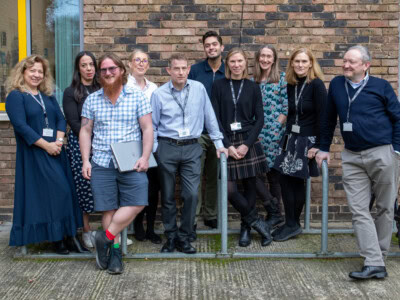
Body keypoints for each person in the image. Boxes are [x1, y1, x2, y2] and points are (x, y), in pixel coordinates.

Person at [316, 45, 400, 280]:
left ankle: (379, 258)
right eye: (345, 61)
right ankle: (373, 261)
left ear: (365, 65)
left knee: (385, 207)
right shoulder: (336, 85)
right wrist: (324, 148)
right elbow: (328, 118)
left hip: (382, 152)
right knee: (358, 209)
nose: (346, 65)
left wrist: (396, 150)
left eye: (352, 62)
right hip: (352, 155)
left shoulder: (380, 86)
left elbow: (398, 117)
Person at [80, 53, 153, 275]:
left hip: (131, 160)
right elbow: (85, 130)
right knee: (109, 208)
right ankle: (114, 254)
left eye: (112, 69)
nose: (108, 73)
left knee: (139, 201)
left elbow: (148, 128)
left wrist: (145, 156)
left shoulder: (136, 96)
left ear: (122, 71)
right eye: (104, 70)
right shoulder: (92, 99)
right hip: (101, 161)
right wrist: (86, 160)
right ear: (100, 75)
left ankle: (104, 237)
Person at [5, 55, 83, 254]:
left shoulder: (47, 95)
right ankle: (56, 239)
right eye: (32, 70)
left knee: (65, 193)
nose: (37, 75)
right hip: (34, 153)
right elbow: (22, 127)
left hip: (56, 151)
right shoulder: (16, 96)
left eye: (40, 71)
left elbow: (59, 118)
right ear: (23, 72)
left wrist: (57, 142)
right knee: (57, 193)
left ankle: (68, 236)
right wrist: (46, 146)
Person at [151, 53, 228, 254]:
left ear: (188, 69)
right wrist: (155, 150)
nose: (181, 72)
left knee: (191, 194)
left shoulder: (199, 89)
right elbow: (153, 125)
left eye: (184, 68)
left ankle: (185, 237)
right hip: (167, 146)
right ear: (169, 70)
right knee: (167, 196)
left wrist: (218, 143)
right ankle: (171, 237)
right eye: (176, 68)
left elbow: (210, 118)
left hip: (193, 146)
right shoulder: (159, 94)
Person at [211, 48, 272, 247]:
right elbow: (214, 119)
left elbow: (260, 119)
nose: (236, 65)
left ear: (245, 63)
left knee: (250, 187)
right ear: (227, 64)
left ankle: (245, 228)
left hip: (248, 140)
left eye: (239, 61)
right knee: (229, 190)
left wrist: (246, 145)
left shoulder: (253, 87)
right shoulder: (219, 85)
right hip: (227, 140)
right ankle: (256, 221)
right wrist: (227, 145)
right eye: (232, 62)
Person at [272, 48, 327, 242]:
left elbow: (324, 117)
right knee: (286, 180)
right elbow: (290, 112)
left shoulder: (317, 85)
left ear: (311, 63)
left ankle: (292, 224)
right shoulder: (291, 84)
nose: (300, 65)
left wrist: (319, 145)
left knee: (296, 181)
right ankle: (291, 223)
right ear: (292, 64)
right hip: (290, 138)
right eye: (297, 61)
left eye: (304, 61)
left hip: (307, 141)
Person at [188, 31, 225, 236]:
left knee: (214, 176)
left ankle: (211, 215)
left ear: (221, 47)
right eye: (207, 45)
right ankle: (192, 219)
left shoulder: (229, 70)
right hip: (198, 132)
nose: (211, 48)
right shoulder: (195, 71)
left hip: (220, 134)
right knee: (194, 176)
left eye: (214, 44)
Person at [63, 51, 100, 249]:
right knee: (83, 187)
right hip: (80, 146)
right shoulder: (71, 92)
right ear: (78, 68)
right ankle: (86, 231)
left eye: (91, 65)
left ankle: (109, 232)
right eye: (84, 65)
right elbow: (74, 123)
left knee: (105, 186)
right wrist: (89, 139)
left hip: (103, 145)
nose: (88, 69)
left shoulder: (102, 88)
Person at [126, 49, 161, 245]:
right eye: (137, 60)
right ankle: (137, 225)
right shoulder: (123, 86)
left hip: (152, 145)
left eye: (144, 60)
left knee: (152, 188)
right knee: (135, 185)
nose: (141, 63)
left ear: (148, 65)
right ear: (130, 64)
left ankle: (151, 228)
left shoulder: (154, 88)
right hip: (131, 144)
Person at [253, 45, 287, 233]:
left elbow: (286, 107)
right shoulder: (253, 81)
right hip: (256, 136)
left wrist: (275, 130)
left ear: (274, 59)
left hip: (274, 135)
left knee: (274, 176)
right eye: (262, 56)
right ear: (258, 59)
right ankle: (272, 210)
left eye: (269, 56)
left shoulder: (281, 79)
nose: (265, 59)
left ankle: (277, 216)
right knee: (255, 176)